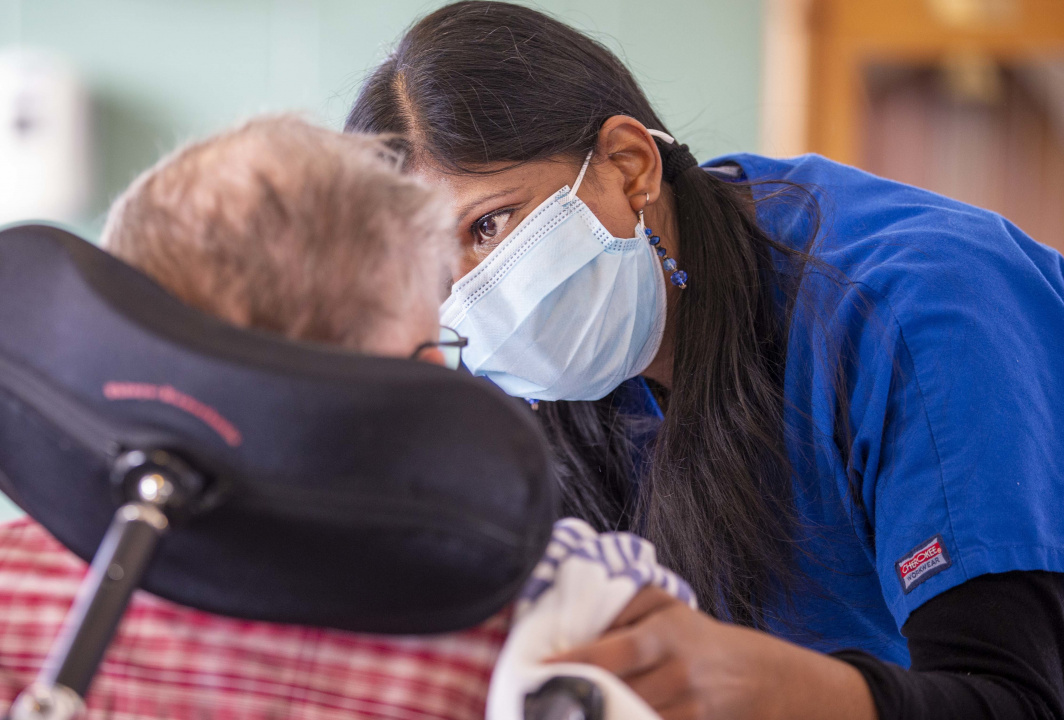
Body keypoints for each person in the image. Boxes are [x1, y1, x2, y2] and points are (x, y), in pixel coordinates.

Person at [345, 3, 1064, 719]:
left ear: (630, 168)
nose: (475, 298)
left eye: (490, 224)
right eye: (436, 274)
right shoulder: (550, 386)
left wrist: (774, 690)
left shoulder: (911, 314)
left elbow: (1017, 698)